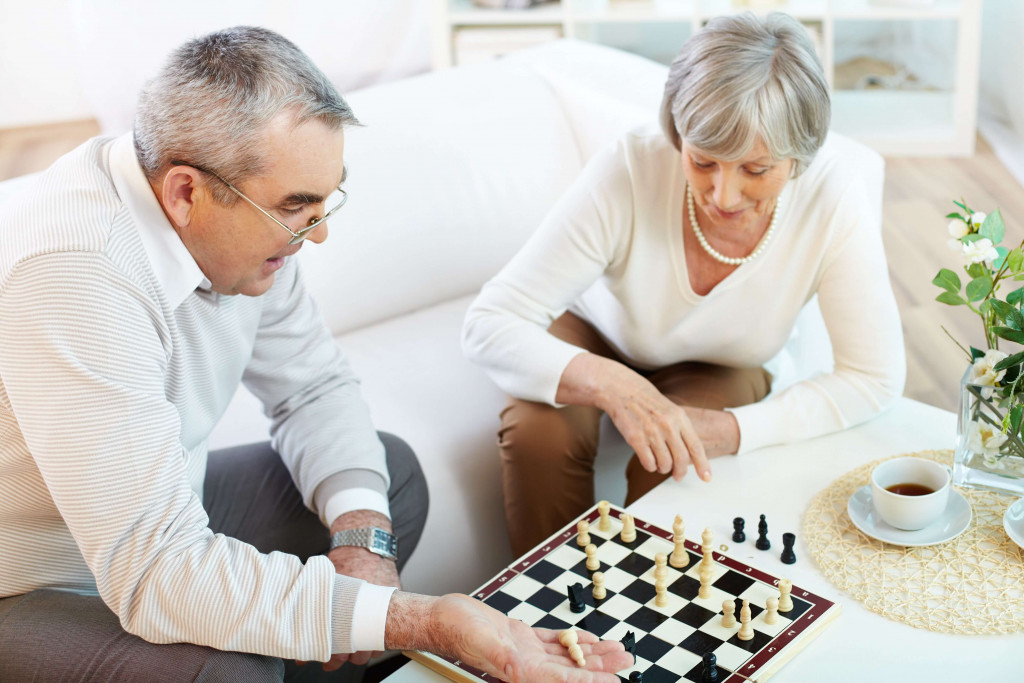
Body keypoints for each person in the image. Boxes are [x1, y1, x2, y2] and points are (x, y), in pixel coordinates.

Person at [0, 27, 630, 683]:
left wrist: (363, 541)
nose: (319, 232)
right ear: (186, 192)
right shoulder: (74, 270)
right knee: (221, 674)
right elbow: (156, 569)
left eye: (325, 199)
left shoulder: (249, 236)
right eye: (296, 208)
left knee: (387, 481)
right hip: (26, 581)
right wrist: (421, 619)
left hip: (150, 520)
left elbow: (312, 388)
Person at [462, 12, 906, 556]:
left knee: (677, 456)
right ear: (679, 136)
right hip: (597, 333)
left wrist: (740, 430)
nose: (724, 195)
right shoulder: (631, 166)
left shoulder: (834, 196)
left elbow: (874, 377)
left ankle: (647, 618)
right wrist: (612, 385)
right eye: (703, 161)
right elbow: (488, 323)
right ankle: (547, 616)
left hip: (721, 366)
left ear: (799, 156)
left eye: (756, 169)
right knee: (540, 438)